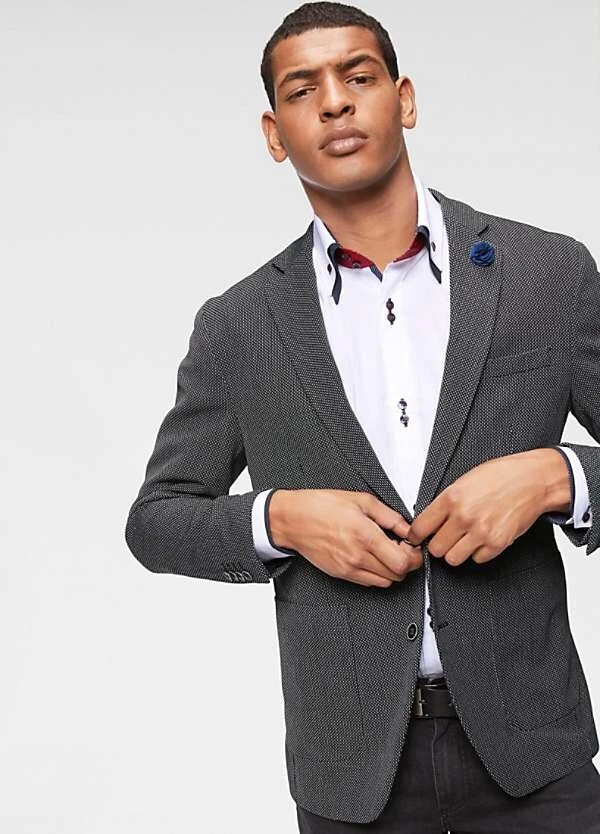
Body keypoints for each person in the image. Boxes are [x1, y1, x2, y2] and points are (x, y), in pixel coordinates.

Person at [124, 2, 600, 831]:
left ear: (403, 99)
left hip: (536, 755)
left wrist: (557, 476)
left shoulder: (547, 274)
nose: (336, 102)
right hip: (351, 777)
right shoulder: (240, 326)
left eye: (358, 76)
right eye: (303, 90)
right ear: (275, 135)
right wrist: (282, 520)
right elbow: (156, 522)